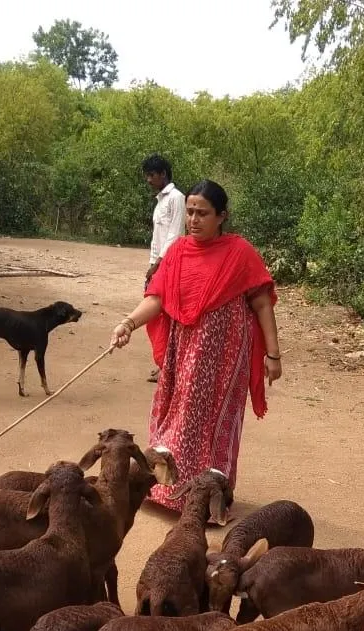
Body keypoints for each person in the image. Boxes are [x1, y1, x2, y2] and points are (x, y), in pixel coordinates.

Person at [110, 179, 282, 513]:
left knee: (213, 421)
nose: (194, 220)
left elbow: (262, 304)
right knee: (176, 411)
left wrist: (272, 355)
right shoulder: (176, 253)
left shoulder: (240, 253)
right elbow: (157, 299)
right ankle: (164, 489)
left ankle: (207, 496)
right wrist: (128, 324)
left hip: (225, 356)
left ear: (222, 216)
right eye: (189, 212)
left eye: (202, 213)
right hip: (183, 349)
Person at [141, 154, 186, 383]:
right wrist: (152, 263)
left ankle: (170, 367)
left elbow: (175, 235)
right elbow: (157, 238)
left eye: (152, 175)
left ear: (163, 174)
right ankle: (163, 363)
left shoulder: (176, 198)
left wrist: (159, 264)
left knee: (167, 315)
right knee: (157, 316)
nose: (148, 180)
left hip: (170, 265)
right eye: (147, 175)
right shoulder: (160, 201)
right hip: (158, 264)